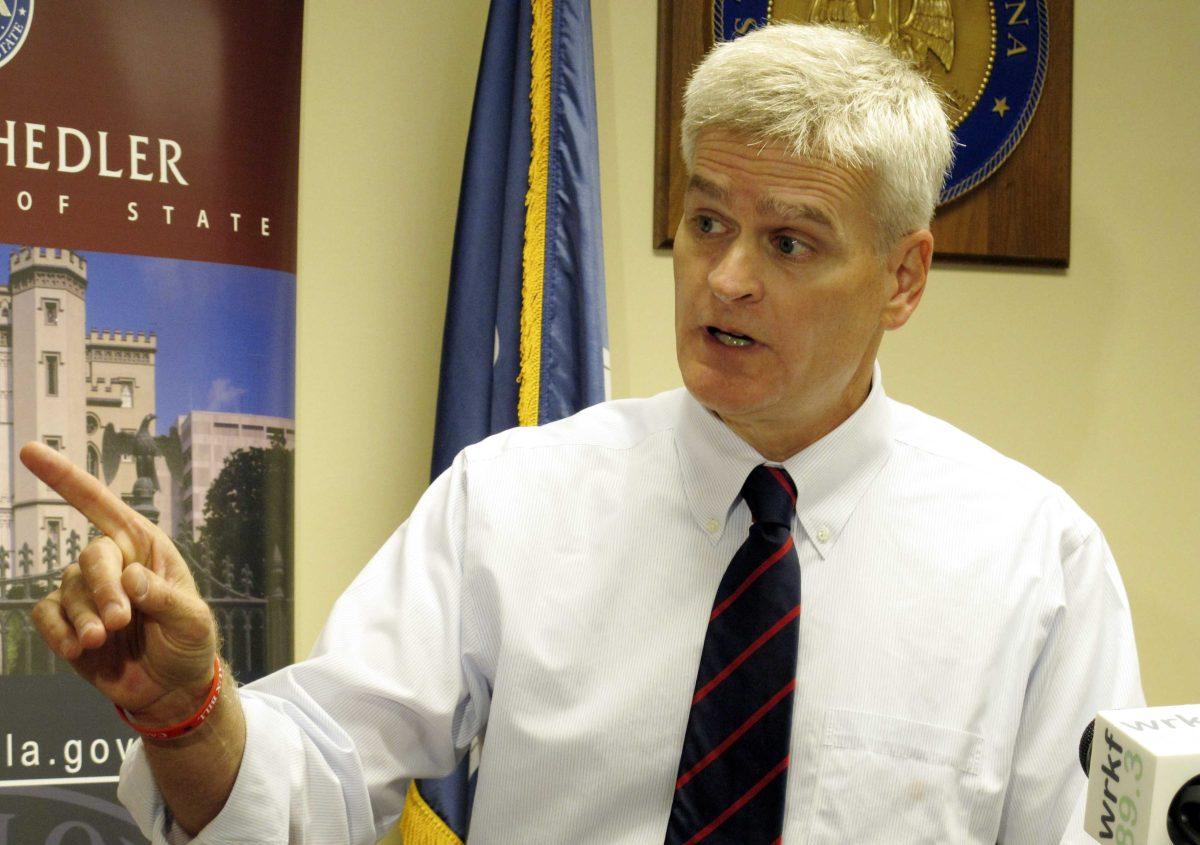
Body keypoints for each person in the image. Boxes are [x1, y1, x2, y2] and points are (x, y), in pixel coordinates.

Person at [22, 23, 1141, 844]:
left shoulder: (1036, 564)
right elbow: (313, 786)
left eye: (792, 243)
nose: (728, 278)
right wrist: (187, 712)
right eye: (707, 222)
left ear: (902, 277)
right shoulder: (512, 501)